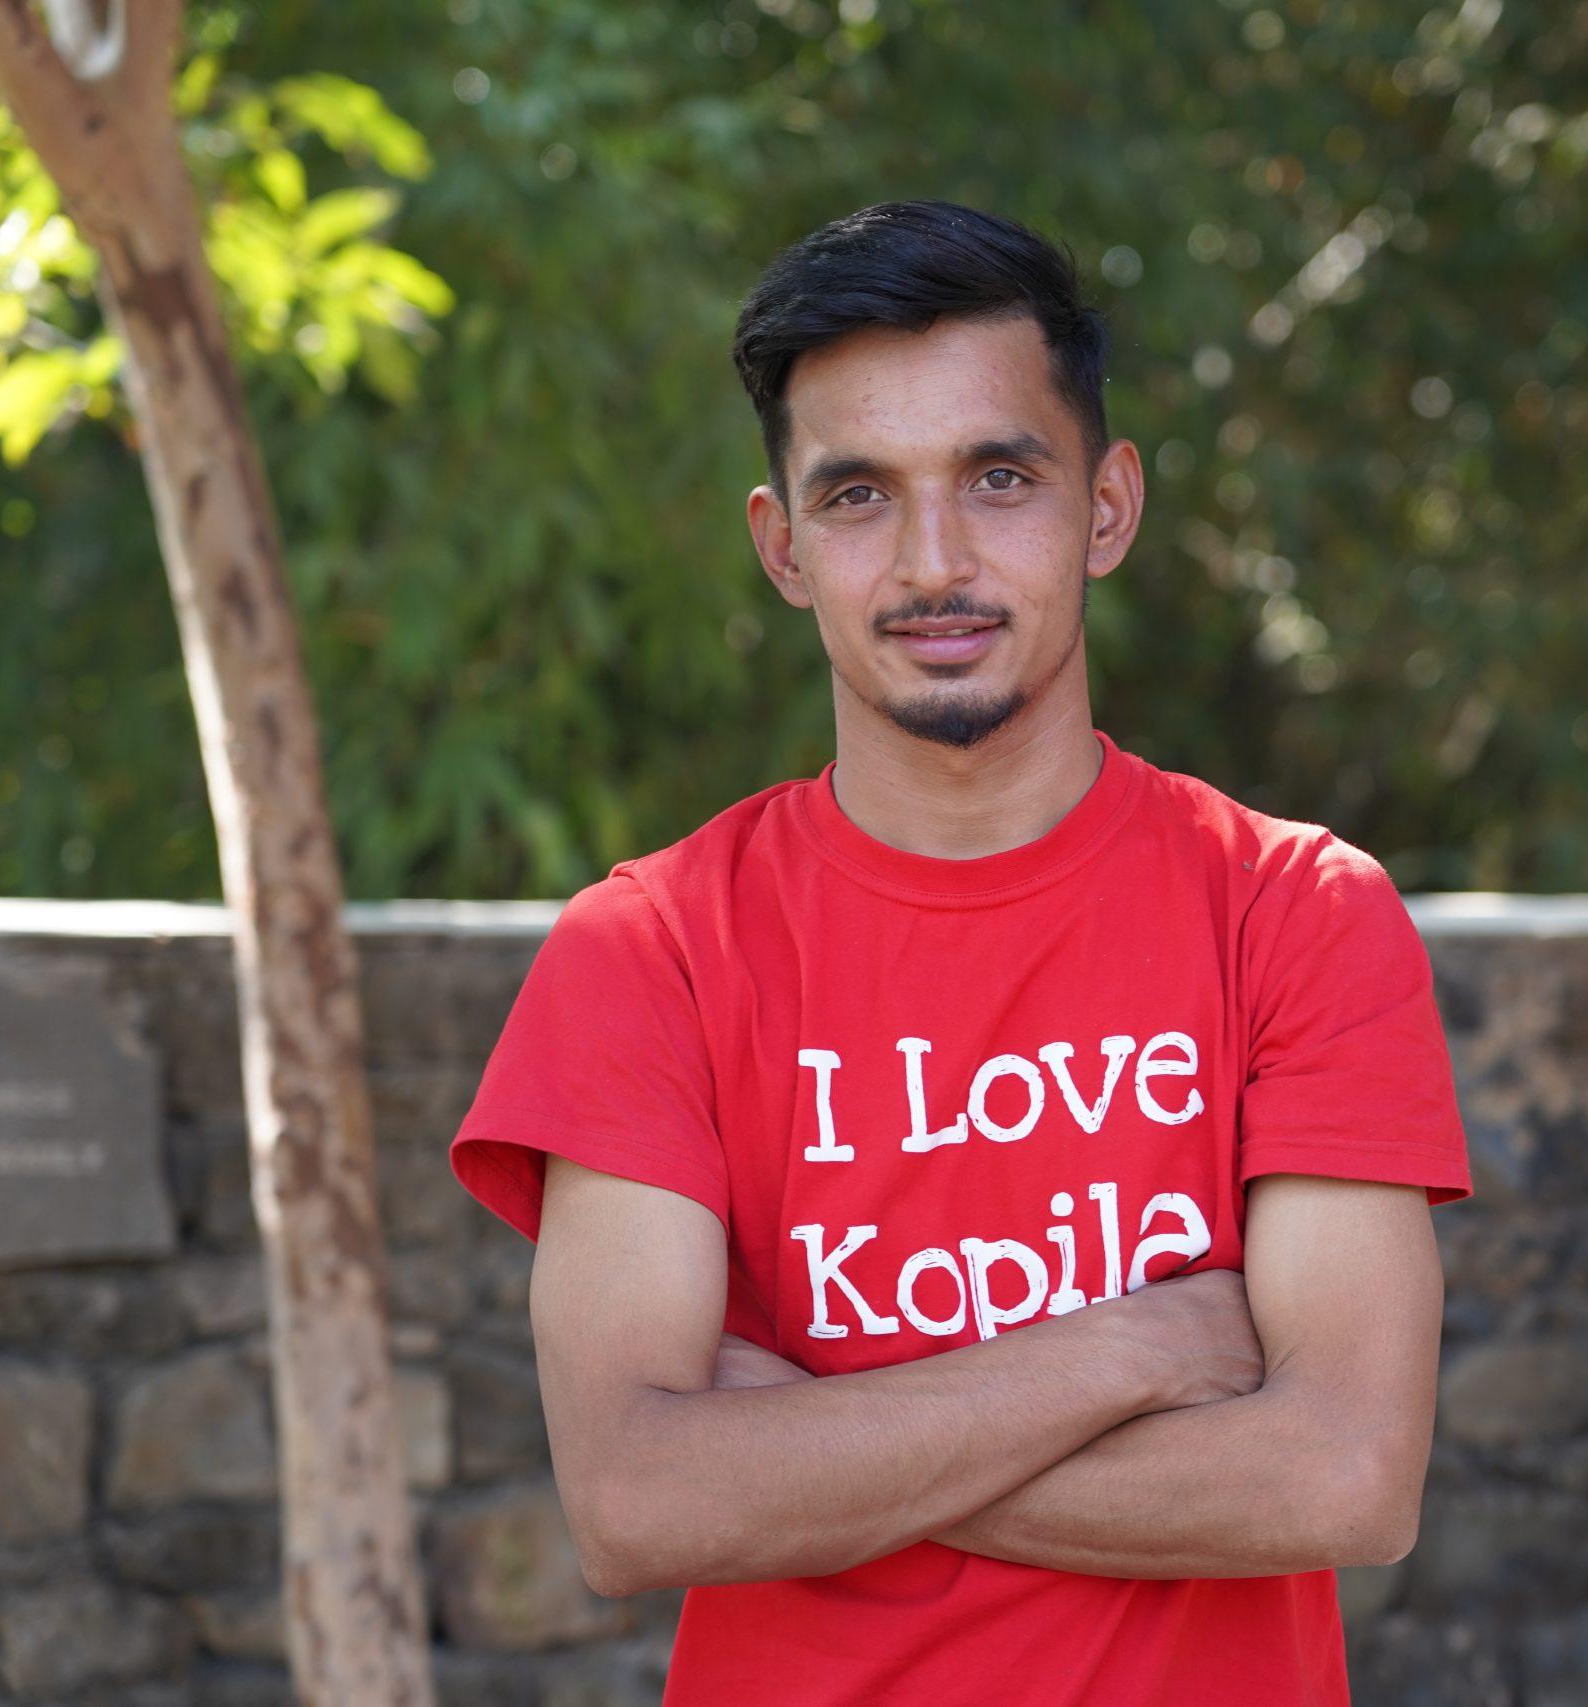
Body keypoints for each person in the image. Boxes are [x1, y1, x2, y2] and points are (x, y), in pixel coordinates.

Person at [446, 198, 1472, 1706]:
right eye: (859, 495)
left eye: (1000, 478)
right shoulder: (649, 949)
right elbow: (640, 1503)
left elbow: (1341, 1477)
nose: (936, 561)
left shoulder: (1294, 911)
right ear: (782, 544)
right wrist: (1135, 1349)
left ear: (1106, 508)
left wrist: (807, 1440)